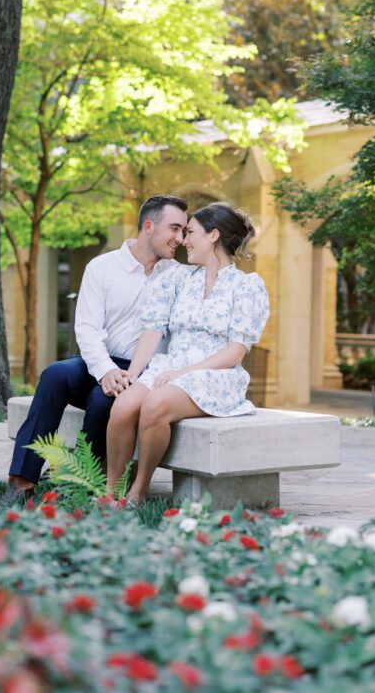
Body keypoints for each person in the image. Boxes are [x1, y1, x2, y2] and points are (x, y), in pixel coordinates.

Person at [5, 194, 189, 497]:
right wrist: (105, 371)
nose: (180, 238)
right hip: (98, 362)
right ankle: (20, 481)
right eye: (174, 228)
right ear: (148, 226)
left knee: (103, 402)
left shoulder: (179, 276)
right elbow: (87, 329)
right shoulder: (102, 267)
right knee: (55, 375)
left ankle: (78, 484)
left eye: (183, 231)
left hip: (143, 373)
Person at [105, 202, 270, 503]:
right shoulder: (178, 279)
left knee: (155, 404)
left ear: (214, 236)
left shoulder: (246, 286)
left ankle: (138, 491)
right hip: (171, 368)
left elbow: (235, 352)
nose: (183, 240)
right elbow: (152, 329)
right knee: (123, 406)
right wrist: (133, 373)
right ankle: (109, 492)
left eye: (191, 232)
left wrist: (184, 373)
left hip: (215, 375)